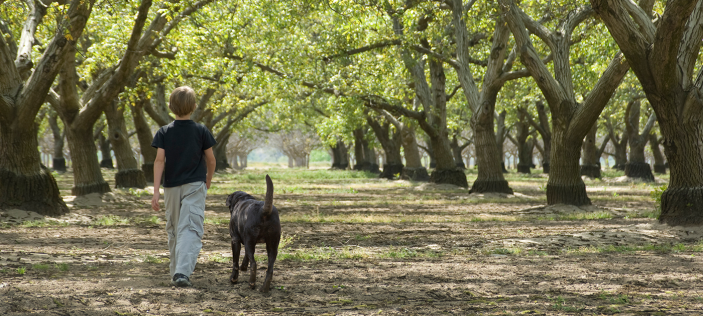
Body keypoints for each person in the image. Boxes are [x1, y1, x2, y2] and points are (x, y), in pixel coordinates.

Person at [150, 86, 217, 287]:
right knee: (190, 227)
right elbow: (211, 160)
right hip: (195, 185)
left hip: (171, 188)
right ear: (194, 107)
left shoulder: (164, 132)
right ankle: (180, 273)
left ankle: (177, 272)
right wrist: (209, 179)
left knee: (175, 230)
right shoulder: (201, 130)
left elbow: (159, 161)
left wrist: (156, 191)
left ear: (171, 107)